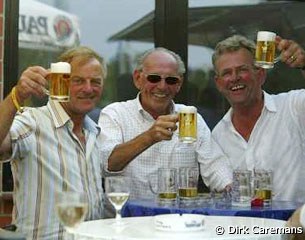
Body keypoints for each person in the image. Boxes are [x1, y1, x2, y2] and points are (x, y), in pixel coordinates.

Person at [0, 46, 107, 239]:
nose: (88, 88)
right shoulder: (33, 121)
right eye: (78, 81)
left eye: (95, 82)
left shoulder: (94, 132)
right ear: (61, 81)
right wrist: (17, 96)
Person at [98, 47, 232, 199]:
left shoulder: (189, 117)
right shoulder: (115, 114)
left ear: (179, 84)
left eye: (171, 80)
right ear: (137, 79)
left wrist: (232, 188)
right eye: (154, 78)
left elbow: (214, 164)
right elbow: (106, 165)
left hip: (178, 218)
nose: (162, 86)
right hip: (131, 219)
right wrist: (149, 137)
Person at [211, 34, 305, 202]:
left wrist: (304, 64)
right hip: (243, 227)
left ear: (261, 74)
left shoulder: (293, 107)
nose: (234, 78)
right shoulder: (217, 136)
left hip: (296, 226)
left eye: (242, 70)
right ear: (218, 83)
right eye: (227, 73)